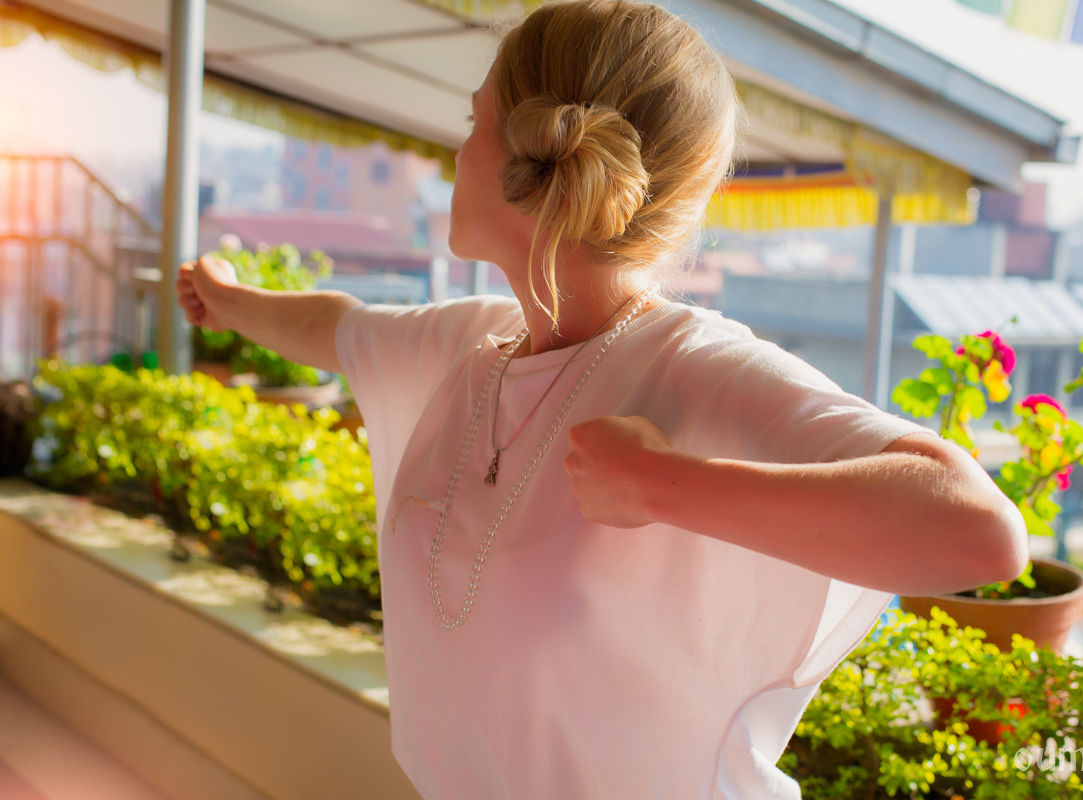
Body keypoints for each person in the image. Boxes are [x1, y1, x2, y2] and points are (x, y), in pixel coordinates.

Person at [175, 1, 1027, 796]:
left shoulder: (697, 369)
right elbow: (335, 326)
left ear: (534, 158)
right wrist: (225, 298)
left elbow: (979, 530)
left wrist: (662, 486)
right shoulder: (469, 346)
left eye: (473, 124)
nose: (455, 155)